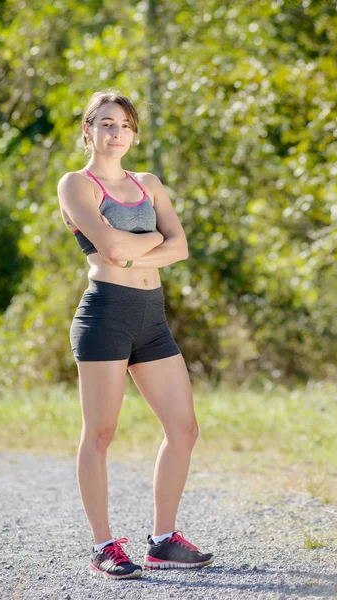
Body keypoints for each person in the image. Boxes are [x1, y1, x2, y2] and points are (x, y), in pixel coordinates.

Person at [57, 90, 214, 580]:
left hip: (151, 316)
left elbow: (180, 247)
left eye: (124, 125)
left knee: (184, 428)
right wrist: (149, 242)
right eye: (105, 124)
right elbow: (106, 247)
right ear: (89, 131)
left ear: (134, 133)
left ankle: (163, 540)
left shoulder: (149, 184)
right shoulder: (76, 186)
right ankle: (104, 545)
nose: (115, 133)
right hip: (105, 315)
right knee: (100, 434)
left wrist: (132, 248)